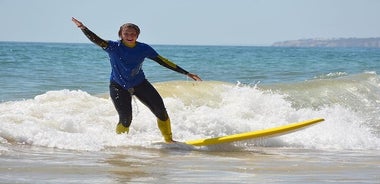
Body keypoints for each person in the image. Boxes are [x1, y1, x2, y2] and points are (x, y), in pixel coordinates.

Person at [72, 17, 201, 143]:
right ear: (121, 34)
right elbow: (97, 40)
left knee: (161, 111)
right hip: (118, 86)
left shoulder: (144, 48)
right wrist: (83, 28)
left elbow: (162, 61)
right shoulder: (112, 46)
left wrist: (186, 73)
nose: (129, 36)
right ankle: (119, 144)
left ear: (137, 35)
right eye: (126, 33)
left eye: (133, 33)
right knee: (126, 119)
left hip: (140, 83)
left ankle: (169, 140)